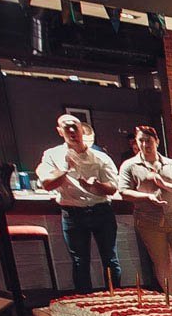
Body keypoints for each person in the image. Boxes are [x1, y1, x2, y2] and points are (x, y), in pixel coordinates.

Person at [37, 113, 121, 291]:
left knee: (110, 258)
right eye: (66, 127)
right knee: (80, 261)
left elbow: (113, 188)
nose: (71, 130)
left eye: (75, 126)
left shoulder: (100, 157)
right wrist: (65, 169)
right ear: (60, 131)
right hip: (73, 212)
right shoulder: (52, 155)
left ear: (82, 130)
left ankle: (117, 299)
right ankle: (84, 302)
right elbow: (47, 184)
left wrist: (95, 185)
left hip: (101, 210)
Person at [117, 125, 172, 297]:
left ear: (157, 141)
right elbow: (123, 192)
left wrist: (164, 185)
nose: (145, 144)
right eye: (141, 140)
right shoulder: (130, 166)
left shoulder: (171, 164)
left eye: (149, 140)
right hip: (149, 221)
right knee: (162, 263)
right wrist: (147, 197)